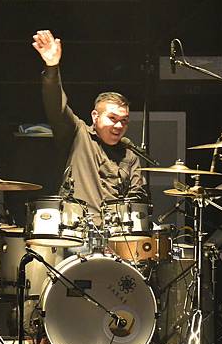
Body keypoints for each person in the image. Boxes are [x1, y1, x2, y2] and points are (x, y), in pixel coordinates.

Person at [32, 30, 147, 225]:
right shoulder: (78, 133)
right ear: (95, 116)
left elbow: (137, 198)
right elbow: (56, 106)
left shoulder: (130, 155)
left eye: (124, 120)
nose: (119, 125)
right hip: (76, 230)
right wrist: (52, 67)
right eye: (112, 118)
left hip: (116, 234)